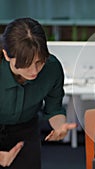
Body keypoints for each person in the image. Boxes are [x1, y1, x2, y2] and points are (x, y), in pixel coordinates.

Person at [0, 17, 77, 169]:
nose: (34, 71)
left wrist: (60, 126)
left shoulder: (52, 68)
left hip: (26, 131)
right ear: (7, 55)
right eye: (26, 64)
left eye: (39, 62)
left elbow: (54, 108)